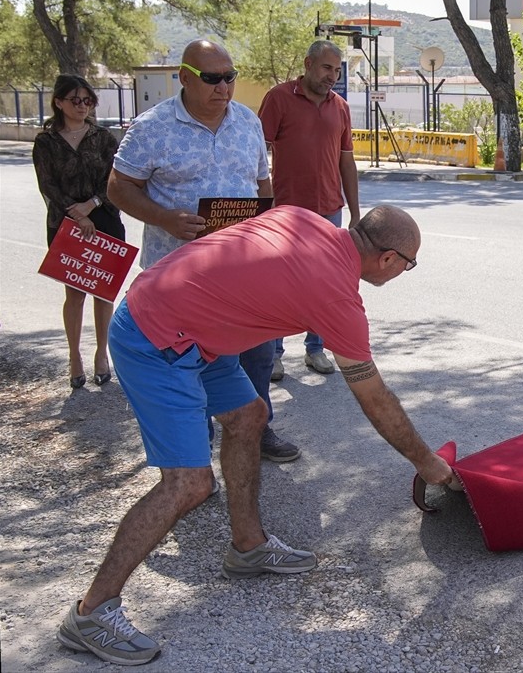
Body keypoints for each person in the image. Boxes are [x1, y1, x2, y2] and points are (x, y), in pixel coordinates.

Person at [56, 204, 454, 666]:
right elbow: (375, 400)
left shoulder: (309, 221)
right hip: (155, 335)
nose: (406, 272)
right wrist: (427, 463)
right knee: (188, 483)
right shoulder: (335, 296)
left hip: (191, 322)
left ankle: (248, 547)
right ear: (388, 259)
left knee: (249, 417)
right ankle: (90, 614)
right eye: (409, 264)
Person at [107, 39, 300, 463]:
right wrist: (164, 218)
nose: (223, 87)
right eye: (212, 79)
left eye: (229, 77)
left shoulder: (248, 123)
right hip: (179, 283)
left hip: (244, 274)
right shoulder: (152, 126)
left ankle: (257, 429)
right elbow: (118, 187)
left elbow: (262, 184)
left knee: (257, 353)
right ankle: (195, 452)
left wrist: (268, 227)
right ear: (184, 77)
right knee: (189, 365)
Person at [258, 39, 360, 381]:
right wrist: (262, 203)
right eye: (326, 68)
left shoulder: (341, 107)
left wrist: (356, 213)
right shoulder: (279, 98)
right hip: (285, 212)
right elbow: (256, 154)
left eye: (336, 70)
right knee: (278, 285)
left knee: (322, 284)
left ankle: (315, 349)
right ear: (308, 64)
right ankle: (272, 354)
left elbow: (347, 161)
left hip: (330, 211)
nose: (332, 76)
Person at [32, 75, 126, 389]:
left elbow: (117, 179)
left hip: (105, 218)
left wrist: (93, 204)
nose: (82, 106)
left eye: (87, 100)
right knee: (75, 292)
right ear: (58, 102)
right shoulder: (46, 142)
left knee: (104, 292)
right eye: (75, 100)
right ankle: (75, 356)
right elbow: (47, 185)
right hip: (65, 222)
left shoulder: (103, 137)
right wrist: (76, 213)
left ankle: (102, 353)